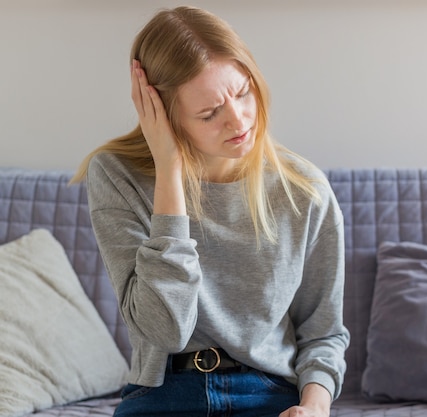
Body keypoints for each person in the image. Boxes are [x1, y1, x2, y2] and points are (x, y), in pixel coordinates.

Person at [72, 6, 349, 417]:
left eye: (242, 93)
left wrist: (314, 406)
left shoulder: (304, 191)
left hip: (270, 391)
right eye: (209, 113)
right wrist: (169, 169)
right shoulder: (117, 175)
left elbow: (323, 333)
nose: (239, 120)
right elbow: (164, 330)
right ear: (165, 118)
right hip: (165, 390)